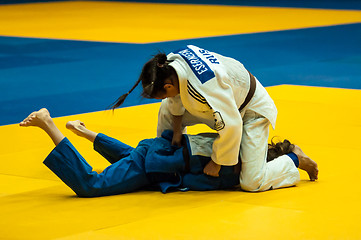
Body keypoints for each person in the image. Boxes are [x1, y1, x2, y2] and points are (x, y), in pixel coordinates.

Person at [112, 45, 318, 192]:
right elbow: (174, 99)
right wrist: (176, 132)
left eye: (163, 93)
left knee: (251, 182)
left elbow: (233, 124)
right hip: (222, 104)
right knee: (167, 109)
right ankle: (165, 157)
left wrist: (217, 162)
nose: (166, 96)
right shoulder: (170, 65)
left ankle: (294, 158)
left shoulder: (206, 85)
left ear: (167, 85)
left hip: (251, 111)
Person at [19, 108, 303, 197]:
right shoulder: (235, 168)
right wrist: (294, 160)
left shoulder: (232, 143)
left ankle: (85, 133)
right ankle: (48, 124)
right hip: (156, 163)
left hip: (157, 151)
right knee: (91, 184)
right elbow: (197, 181)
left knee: (134, 159)